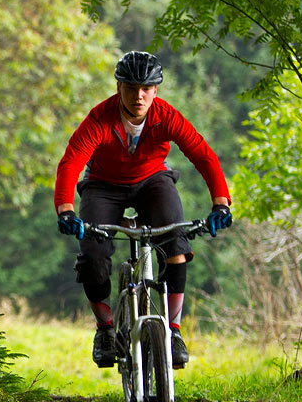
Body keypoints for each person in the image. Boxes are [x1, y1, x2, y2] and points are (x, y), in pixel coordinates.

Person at [54, 51, 233, 369]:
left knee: (176, 243)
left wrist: (221, 202)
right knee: (93, 253)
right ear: (118, 87)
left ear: (156, 90)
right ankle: (105, 330)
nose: (139, 96)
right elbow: (72, 162)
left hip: (152, 180)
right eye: (131, 88)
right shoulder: (100, 118)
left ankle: (173, 331)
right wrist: (66, 210)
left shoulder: (166, 116)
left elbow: (203, 155)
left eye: (146, 88)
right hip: (103, 185)